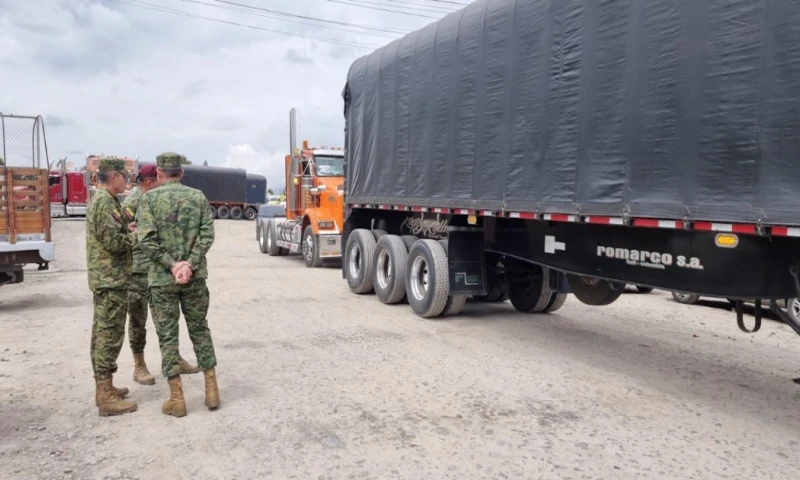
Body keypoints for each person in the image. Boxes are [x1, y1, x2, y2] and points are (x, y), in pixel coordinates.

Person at [136, 152, 220, 417]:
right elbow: (207, 234)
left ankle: (177, 398)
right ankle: (211, 390)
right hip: (194, 278)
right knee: (200, 329)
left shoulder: (148, 199)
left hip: (162, 281)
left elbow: (146, 240)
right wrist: (189, 264)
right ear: (181, 173)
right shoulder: (198, 198)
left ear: (159, 174)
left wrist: (173, 266)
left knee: (168, 337)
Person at [121, 164, 200, 386]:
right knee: (138, 320)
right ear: (148, 182)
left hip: (158, 270)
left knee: (166, 320)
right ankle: (139, 365)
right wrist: (130, 230)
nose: (162, 182)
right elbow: (118, 231)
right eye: (157, 179)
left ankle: (173, 358)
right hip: (138, 270)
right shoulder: (133, 202)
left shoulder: (159, 199)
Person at [86, 157, 138, 416]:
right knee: (109, 334)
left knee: (103, 332)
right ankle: (105, 396)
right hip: (111, 279)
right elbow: (114, 243)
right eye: (124, 176)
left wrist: (126, 228)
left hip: (107, 278)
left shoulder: (106, 201)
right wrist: (135, 236)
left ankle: (104, 388)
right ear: (114, 176)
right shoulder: (105, 202)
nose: (126, 180)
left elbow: (111, 234)